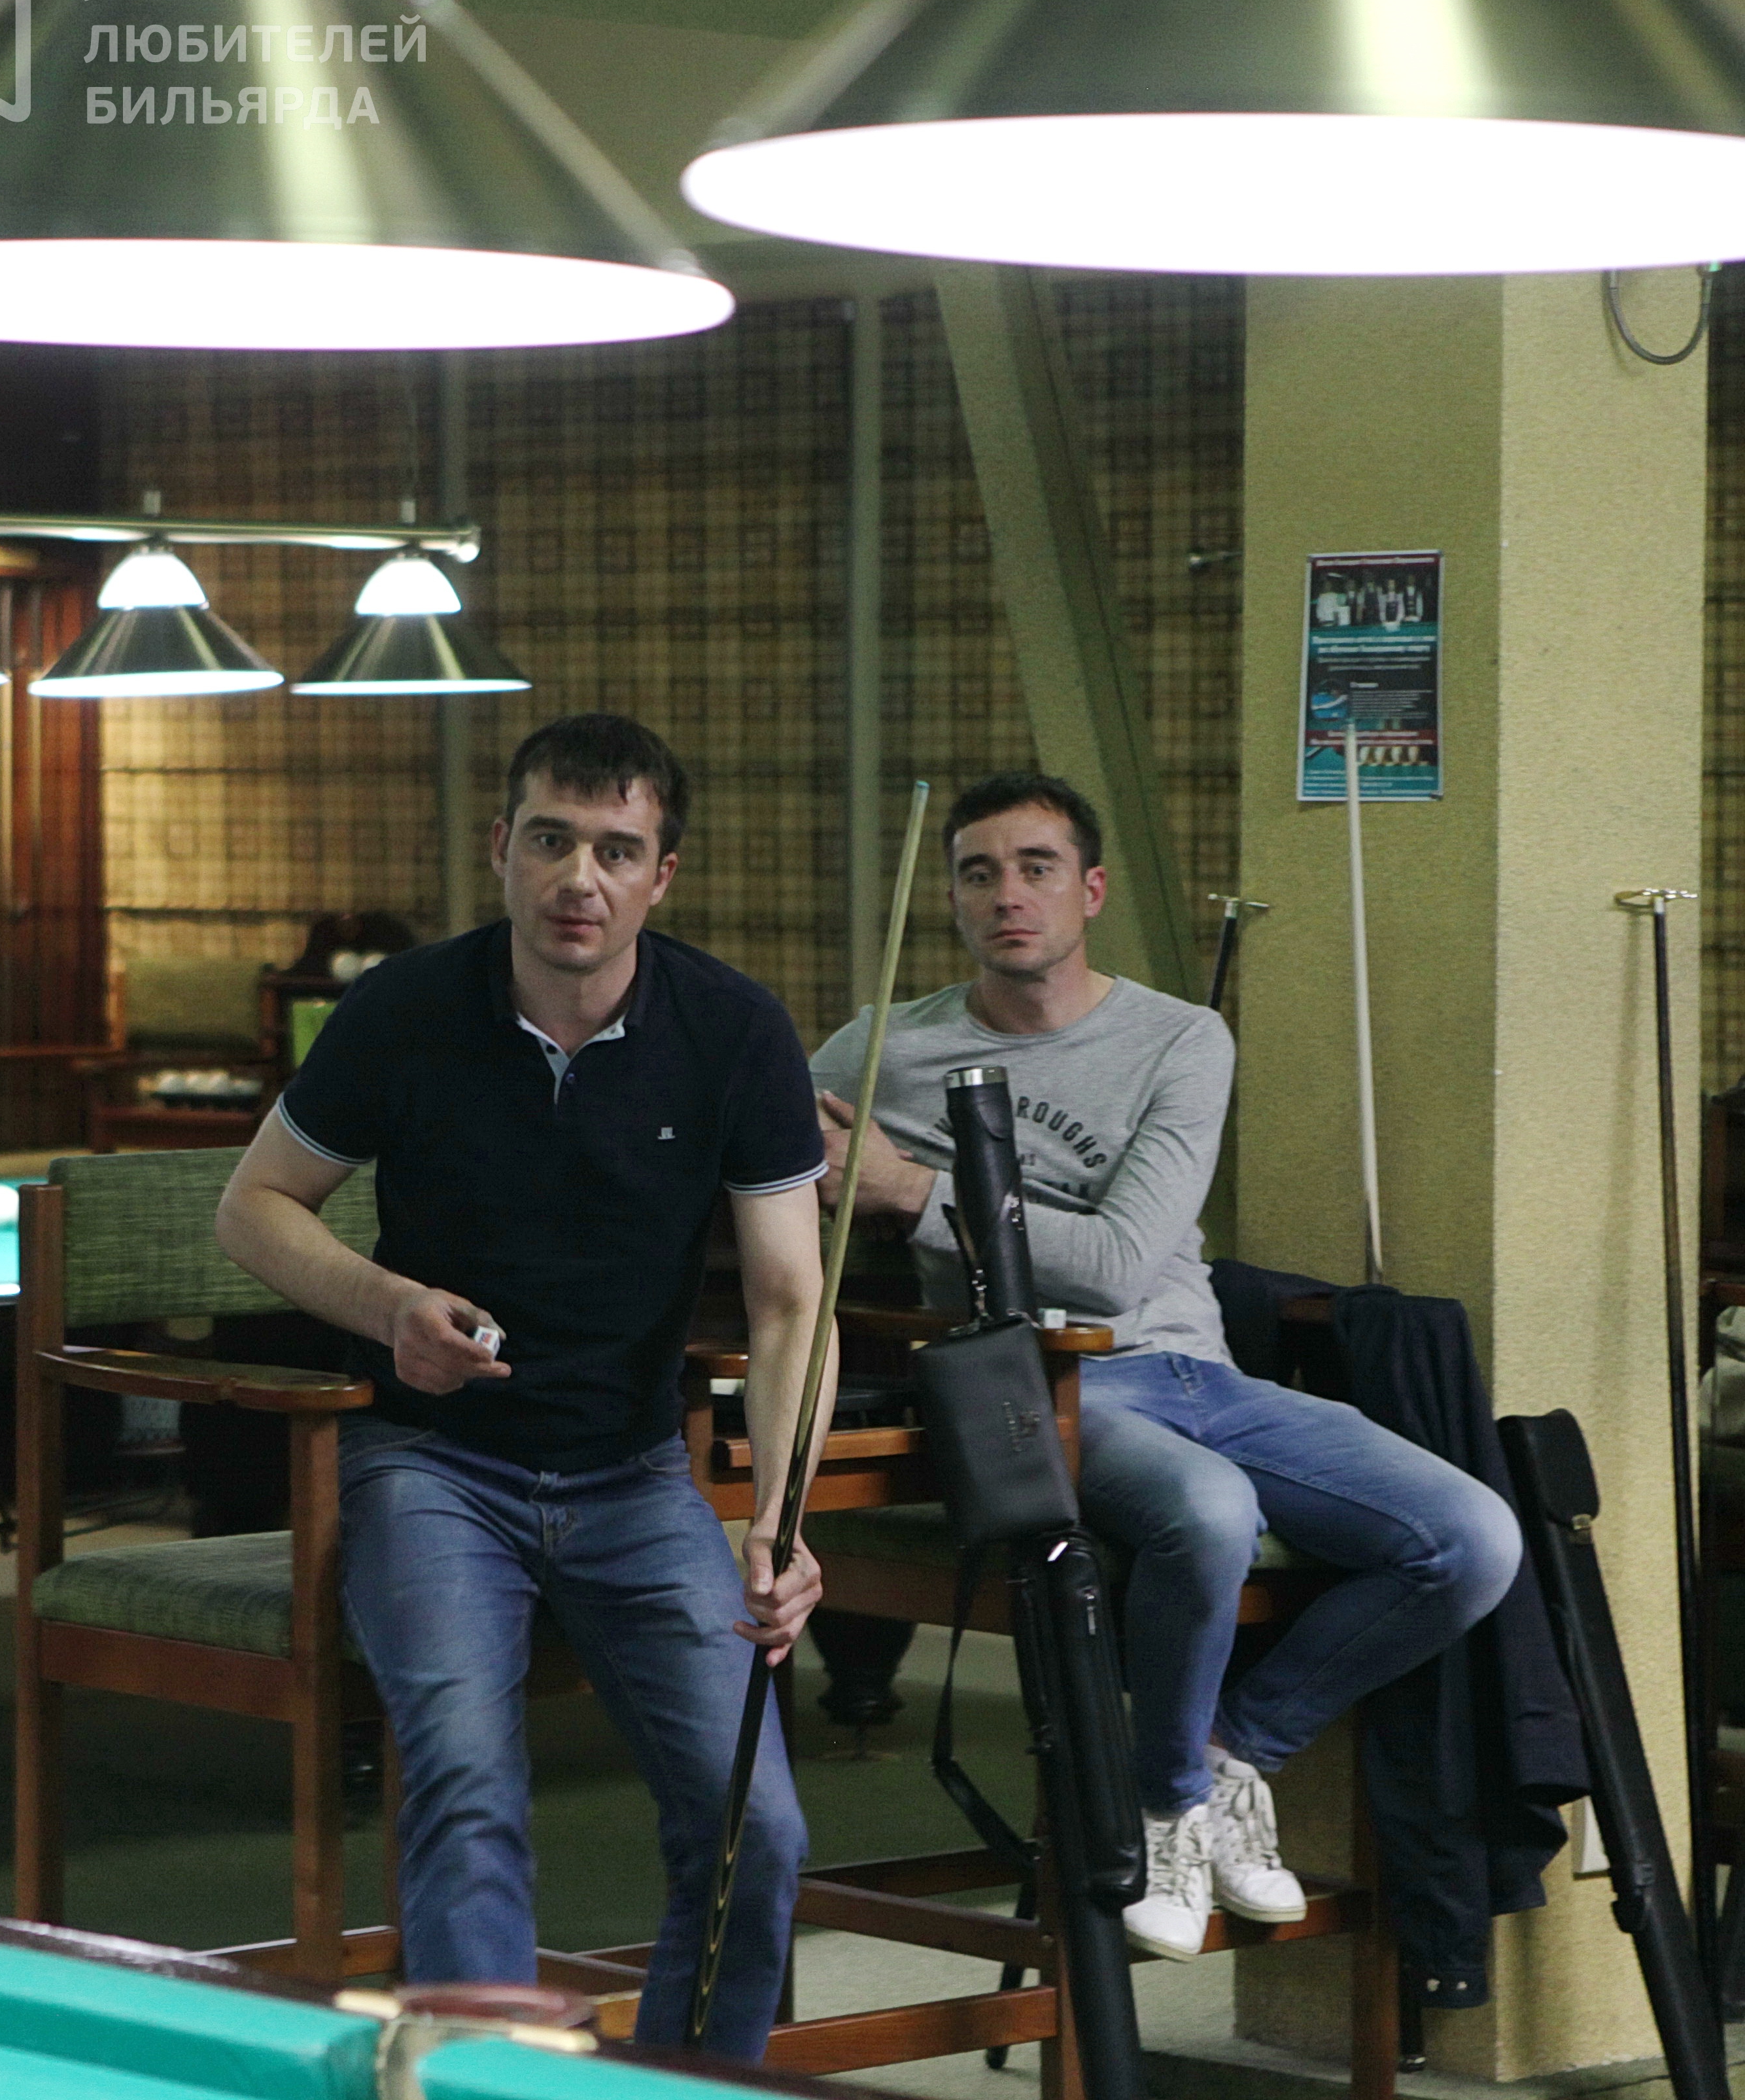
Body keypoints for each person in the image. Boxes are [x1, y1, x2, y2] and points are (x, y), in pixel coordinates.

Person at [808, 770, 1521, 1961]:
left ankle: (1224, 1756)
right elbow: (764, 1185)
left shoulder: (1180, 1037)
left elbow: (1120, 1263)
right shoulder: (879, 1051)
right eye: (978, 873)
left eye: (1036, 868)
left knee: (1471, 1537)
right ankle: (1162, 1807)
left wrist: (909, 1190)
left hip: (1201, 1373)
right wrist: (829, 1189)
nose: (1007, 894)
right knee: (1209, 1511)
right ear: (954, 898)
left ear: (1089, 890)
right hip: (1035, 1391)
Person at [216, 713, 835, 2059]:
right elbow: (252, 1208)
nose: (578, 879)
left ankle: (684, 2088)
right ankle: (481, 2090)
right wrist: (388, 1308)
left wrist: (782, 1517)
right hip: (431, 1464)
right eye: (551, 840)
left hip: (635, 1474)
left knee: (757, 1826)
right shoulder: (403, 1009)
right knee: (464, 1779)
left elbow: (793, 1301)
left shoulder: (733, 1029)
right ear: (501, 846)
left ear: (662, 876)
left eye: (616, 851)